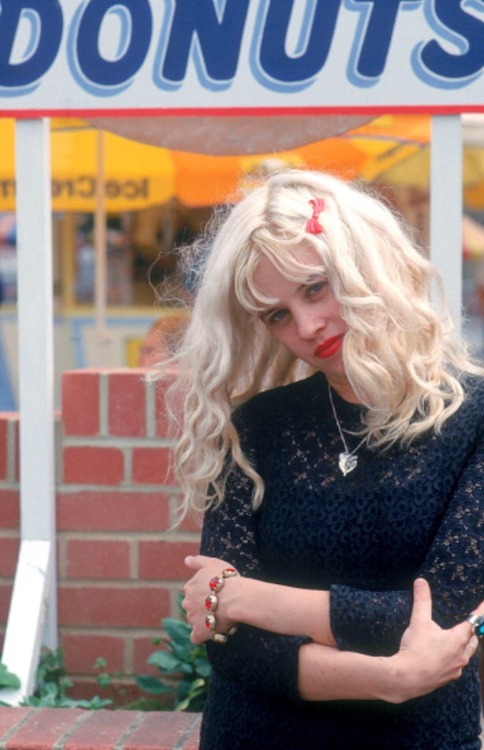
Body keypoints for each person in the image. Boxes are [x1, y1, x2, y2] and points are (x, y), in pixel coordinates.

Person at [165, 169, 483, 750]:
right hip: (255, 734)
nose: (308, 326)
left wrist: (247, 597)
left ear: (369, 267)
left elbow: (443, 620)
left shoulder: (475, 419)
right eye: (277, 315)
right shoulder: (256, 427)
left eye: (316, 288)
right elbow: (227, 645)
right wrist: (391, 678)